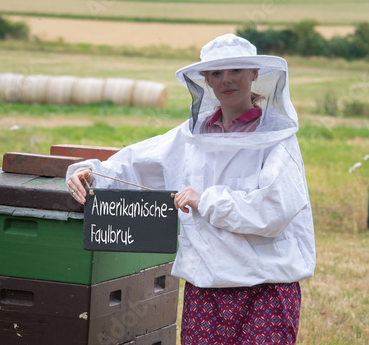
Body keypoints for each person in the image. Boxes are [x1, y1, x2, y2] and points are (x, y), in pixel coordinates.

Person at [66, 33, 315, 344]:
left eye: (236, 70)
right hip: (205, 286)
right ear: (206, 80)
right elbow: (132, 164)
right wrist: (89, 174)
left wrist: (205, 200)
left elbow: (273, 210)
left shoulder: (278, 139)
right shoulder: (189, 137)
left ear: (254, 74)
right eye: (216, 73)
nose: (227, 80)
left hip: (265, 287)